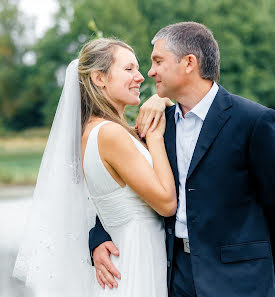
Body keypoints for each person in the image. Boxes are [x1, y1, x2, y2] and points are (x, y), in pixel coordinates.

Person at [91, 22, 275, 297]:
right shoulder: (156, 125)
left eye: (158, 61)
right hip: (173, 276)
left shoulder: (254, 121)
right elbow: (123, 188)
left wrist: (258, 258)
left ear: (189, 62)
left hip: (241, 281)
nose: (150, 71)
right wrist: (98, 237)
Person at [13, 38, 176, 297]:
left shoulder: (97, 131)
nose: (140, 77)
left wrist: (160, 100)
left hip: (125, 257)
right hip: (133, 262)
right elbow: (166, 203)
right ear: (99, 78)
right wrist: (155, 137)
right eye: (129, 69)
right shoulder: (110, 135)